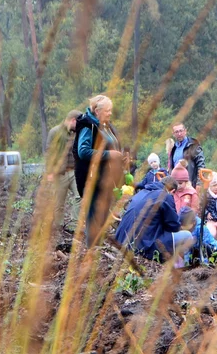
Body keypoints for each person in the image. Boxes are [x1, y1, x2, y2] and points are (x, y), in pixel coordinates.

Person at [75, 94, 131, 246]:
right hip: (93, 179)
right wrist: (110, 155)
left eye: (110, 110)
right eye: (107, 110)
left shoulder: (106, 126)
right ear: (97, 111)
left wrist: (120, 157)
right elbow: (83, 151)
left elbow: (112, 147)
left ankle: (97, 248)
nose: (110, 113)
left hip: (106, 179)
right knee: (94, 215)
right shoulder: (88, 126)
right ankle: (91, 249)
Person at [114, 176, 195, 267]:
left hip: (120, 242)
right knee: (187, 235)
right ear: (172, 191)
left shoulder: (140, 193)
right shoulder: (165, 196)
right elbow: (174, 226)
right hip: (143, 245)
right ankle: (185, 268)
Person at [45, 110, 81, 220]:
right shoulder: (55, 132)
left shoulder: (78, 133)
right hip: (60, 173)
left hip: (75, 172)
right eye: (78, 123)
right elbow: (49, 153)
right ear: (73, 120)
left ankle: (73, 224)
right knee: (58, 203)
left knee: (80, 197)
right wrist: (50, 172)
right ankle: (58, 226)